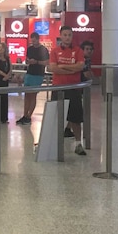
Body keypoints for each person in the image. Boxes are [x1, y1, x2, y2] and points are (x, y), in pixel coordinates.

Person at [49, 26, 86, 156]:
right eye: (65, 35)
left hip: (73, 89)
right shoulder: (54, 51)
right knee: (56, 117)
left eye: (69, 35)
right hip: (58, 88)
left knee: (75, 118)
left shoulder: (78, 51)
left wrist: (63, 66)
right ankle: (53, 143)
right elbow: (54, 68)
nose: (67, 37)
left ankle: (78, 143)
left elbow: (80, 66)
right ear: (60, 35)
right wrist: (72, 68)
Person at [64, 40, 94, 138]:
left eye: (90, 49)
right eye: (87, 49)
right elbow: (87, 74)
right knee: (74, 109)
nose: (89, 51)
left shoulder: (87, 60)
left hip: (79, 87)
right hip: (75, 86)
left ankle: (68, 128)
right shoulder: (82, 60)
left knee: (73, 109)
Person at [17, 32, 49, 125]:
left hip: (38, 74)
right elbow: (27, 59)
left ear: (38, 39)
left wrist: (37, 62)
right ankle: (25, 114)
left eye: (34, 40)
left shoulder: (43, 49)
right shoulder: (30, 49)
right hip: (29, 73)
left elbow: (46, 62)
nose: (33, 42)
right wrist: (29, 61)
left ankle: (29, 116)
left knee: (33, 95)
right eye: (32, 40)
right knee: (27, 95)